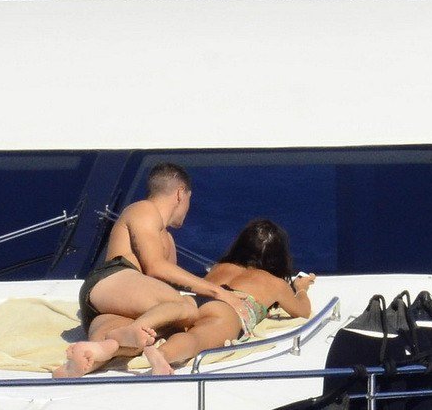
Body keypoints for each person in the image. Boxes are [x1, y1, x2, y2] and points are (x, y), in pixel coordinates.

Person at [53, 162, 248, 378]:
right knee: (184, 308)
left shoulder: (168, 239)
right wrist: (218, 292)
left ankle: (91, 357)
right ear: (180, 194)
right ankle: (130, 332)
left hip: (109, 305)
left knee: (136, 339)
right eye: (189, 200)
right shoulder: (144, 209)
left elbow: (158, 288)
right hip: (113, 278)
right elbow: (155, 267)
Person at [144, 218, 316, 375]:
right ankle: (163, 354)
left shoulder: (219, 267)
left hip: (196, 300)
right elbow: (302, 312)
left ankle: (139, 333)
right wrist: (301, 289)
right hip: (226, 310)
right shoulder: (276, 284)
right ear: (278, 258)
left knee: (171, 323)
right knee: (197, 338)